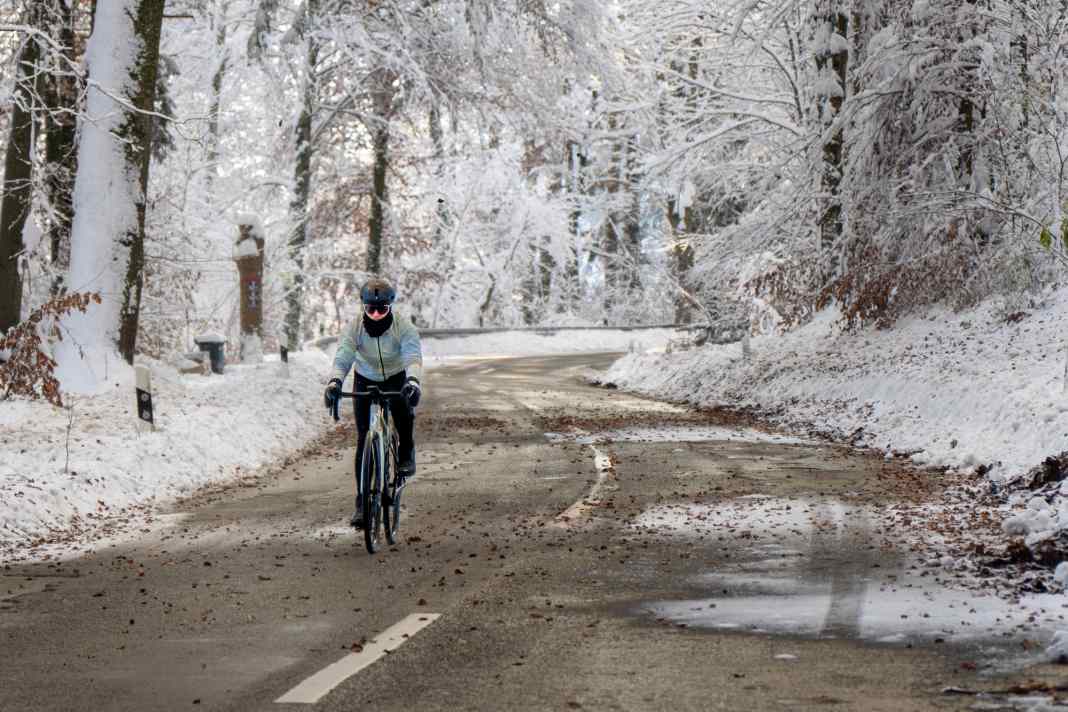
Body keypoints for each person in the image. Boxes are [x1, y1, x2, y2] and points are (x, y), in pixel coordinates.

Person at [324, 277, 423, 528]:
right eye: (371, 309)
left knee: (403, 415)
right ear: (363, 307)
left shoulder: (404, 327)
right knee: (363, 437)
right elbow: (344, 355)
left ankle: (406, 451)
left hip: (396, 376)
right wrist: (335, 382)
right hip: (365, 377)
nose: (377, 314)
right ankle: (361, 504)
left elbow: (412, 355)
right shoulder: (354, 327)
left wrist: (413, 381)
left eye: (382, 309)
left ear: (390, 308)